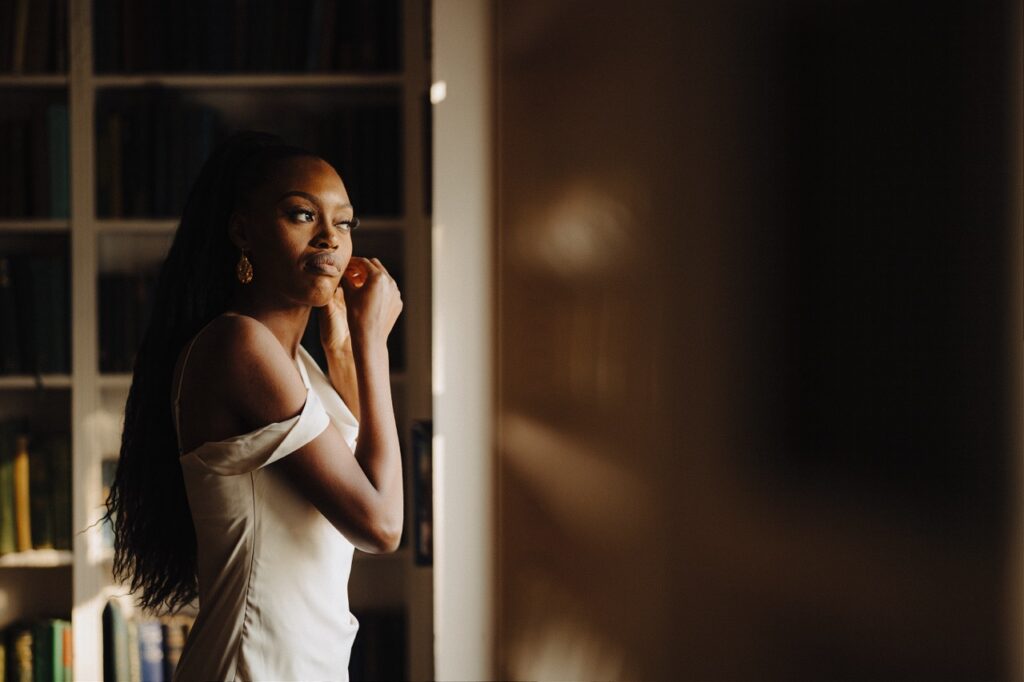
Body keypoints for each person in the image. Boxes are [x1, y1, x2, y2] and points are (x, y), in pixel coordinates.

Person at [103, 131, 404, 681]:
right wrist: (373, 344)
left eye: (344, 223)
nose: (330, 241)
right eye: (302, 215)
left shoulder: (295, 366)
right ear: (243, 231)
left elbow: (364, 468)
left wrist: (340, 346)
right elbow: (382, 524)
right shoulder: (238, 347)